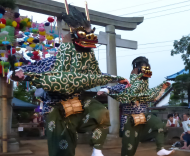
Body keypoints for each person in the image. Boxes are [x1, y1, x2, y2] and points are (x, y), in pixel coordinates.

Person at [8, 4, 127, 156]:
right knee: (63, 147)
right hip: (55, 108)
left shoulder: (87, 60)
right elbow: (32, 68)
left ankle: (97, 150)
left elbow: (97, 76)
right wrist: (19, 72)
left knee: (101, 113)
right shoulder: (53, 61)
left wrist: (117, 81)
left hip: (78, 104)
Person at [98, 56, 174, 156]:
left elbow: (154, 97)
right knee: (128, 151)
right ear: (136, 70)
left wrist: (163, 88)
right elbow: (112, 89)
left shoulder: (145, 89)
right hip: (129, 121)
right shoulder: (126, 86)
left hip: (143, 118)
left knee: (159, 125)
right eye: (142, 68)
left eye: (147, 68)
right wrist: (105, 90)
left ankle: (160, 149)